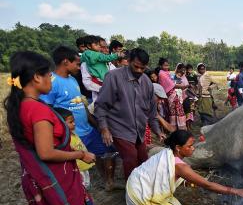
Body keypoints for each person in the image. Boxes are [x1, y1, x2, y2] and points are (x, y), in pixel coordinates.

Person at [4, 51, 120, 205]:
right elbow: (46, 151)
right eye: (47, 75)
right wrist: (79, 154)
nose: (50, 80)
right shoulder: (37, 110)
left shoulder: (20, 106)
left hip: (38, 178)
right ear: (37, 77)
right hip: (57, 178)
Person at [125, 130, 243, 205]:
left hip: (134, 184)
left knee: (174, 204)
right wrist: (236, 191)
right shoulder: (180, 167)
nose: (193, 148)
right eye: (190, 146)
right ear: (178, 147)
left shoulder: (168, 153)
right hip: (138, 195)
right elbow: (207, 185)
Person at [40, 46, 118, 191]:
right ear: (65, 62)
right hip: (72, 135)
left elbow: (81, 104)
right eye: (76, 63)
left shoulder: (72, 80)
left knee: (107, 151)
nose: (79, 66)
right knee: (76, 168)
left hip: (88, 129)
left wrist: (98, 125)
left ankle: (108, 182)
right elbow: (47, 111)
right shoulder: (52, 82)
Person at [94, 48, 165, 179]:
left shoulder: (147, 82)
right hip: (119, 127)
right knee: (131, 158)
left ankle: (142, 186)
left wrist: (157, 130)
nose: (139, 71)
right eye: (136, 66)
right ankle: (132, 191)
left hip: (139, 129)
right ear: (128, 61)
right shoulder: (113, 77)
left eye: (142, 68)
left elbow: (151, 111)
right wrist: (104, 129)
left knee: (143, 159)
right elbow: (101, 105)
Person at [60, 109, 94, 189]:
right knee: (81, 188)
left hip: (84, 167)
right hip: (77, 170)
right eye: (71, 122)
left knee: (86, 186)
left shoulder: (73, 133)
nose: (74, 124)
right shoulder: (66, 140)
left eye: (74, 121)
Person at [157, 58, 188, 130]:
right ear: (161, 65)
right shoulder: (162, 74)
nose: (167, 67)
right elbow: (171, 84)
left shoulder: (167, 73)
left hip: (174, 94)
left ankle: (179, 128)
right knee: (174, 112)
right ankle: (174, 129)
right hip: (171, 95)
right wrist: (182, 86)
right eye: (165, 65)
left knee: (178, 111)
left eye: (168, 65)